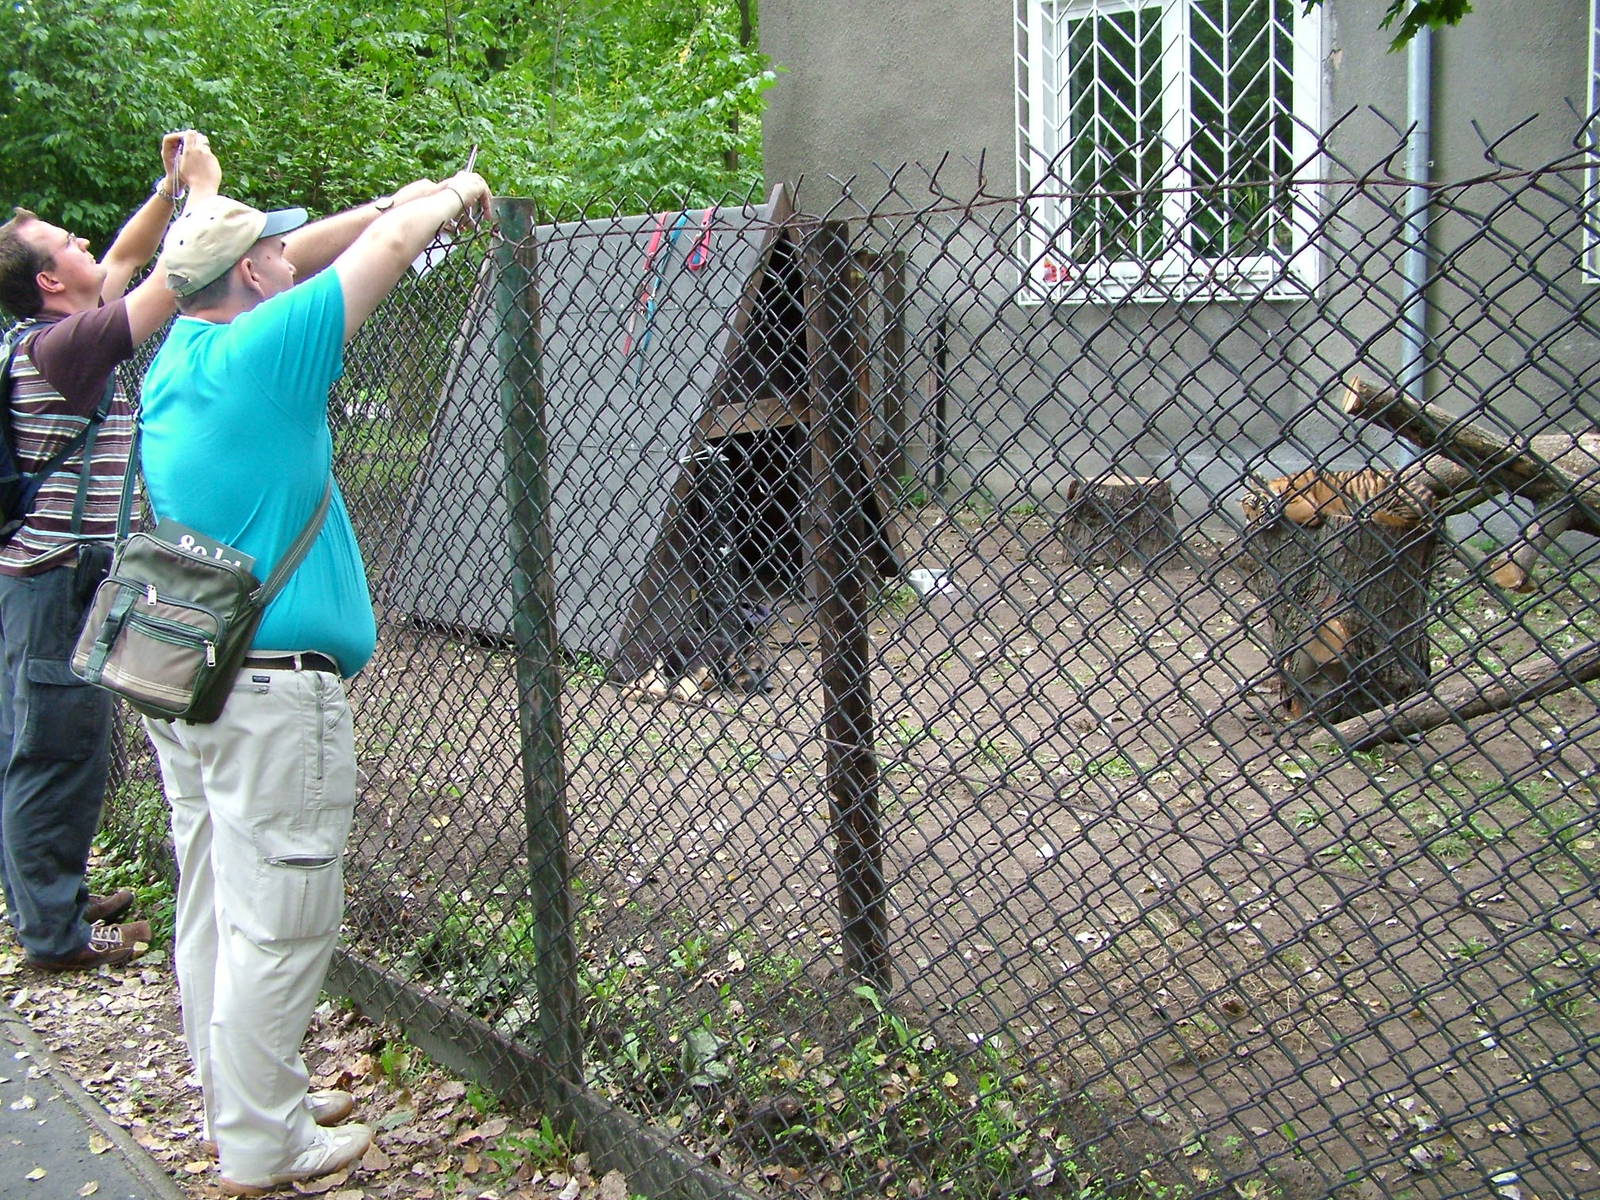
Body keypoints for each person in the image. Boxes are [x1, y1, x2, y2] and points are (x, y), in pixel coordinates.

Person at [138, 168, 491, 1196]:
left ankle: (243, 1097)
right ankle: (263, 1143)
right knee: (282, 920)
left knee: (216, 901)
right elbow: (382, 256)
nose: (291, 255)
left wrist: (392, 200)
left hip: (196, 679)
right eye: (274, 250)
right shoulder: (265, 352)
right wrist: (455, 193)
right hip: (271, 697)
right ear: (252, 275)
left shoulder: (180, 352)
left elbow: (331, 244)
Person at [0, 130, 221, 970]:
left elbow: (130, 255)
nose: (87, 241)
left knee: (39, 741)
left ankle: (44, 896)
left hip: (42, 578)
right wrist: (205, 190)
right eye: (67, 241)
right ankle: (55, 935)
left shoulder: (52, 334)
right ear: (49, 281)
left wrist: (167, 191)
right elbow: (176, 276)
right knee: (57, 751)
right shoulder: (69, 347)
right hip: (58, 582)